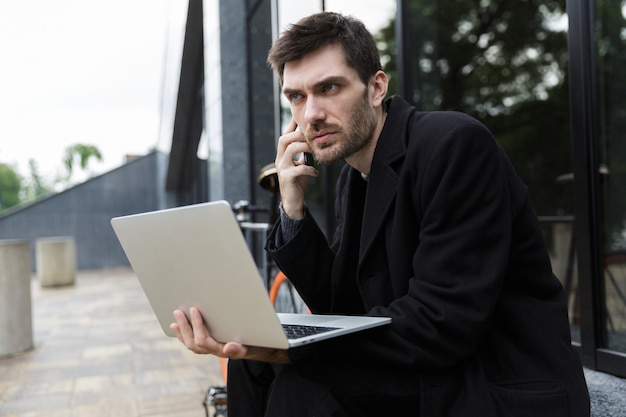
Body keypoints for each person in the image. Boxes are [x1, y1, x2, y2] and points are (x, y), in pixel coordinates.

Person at [171, 11, 590, 417]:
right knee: (252, 361)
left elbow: (442, 323)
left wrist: (296, 345)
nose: (311, 113)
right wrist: (292, 209)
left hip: (498, 380)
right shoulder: (354, 177)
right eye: (296, 96)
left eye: (329, 87)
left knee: (306, 383)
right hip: (430, 369)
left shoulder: (454, 145)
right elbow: (344, 306)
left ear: (375, 87)